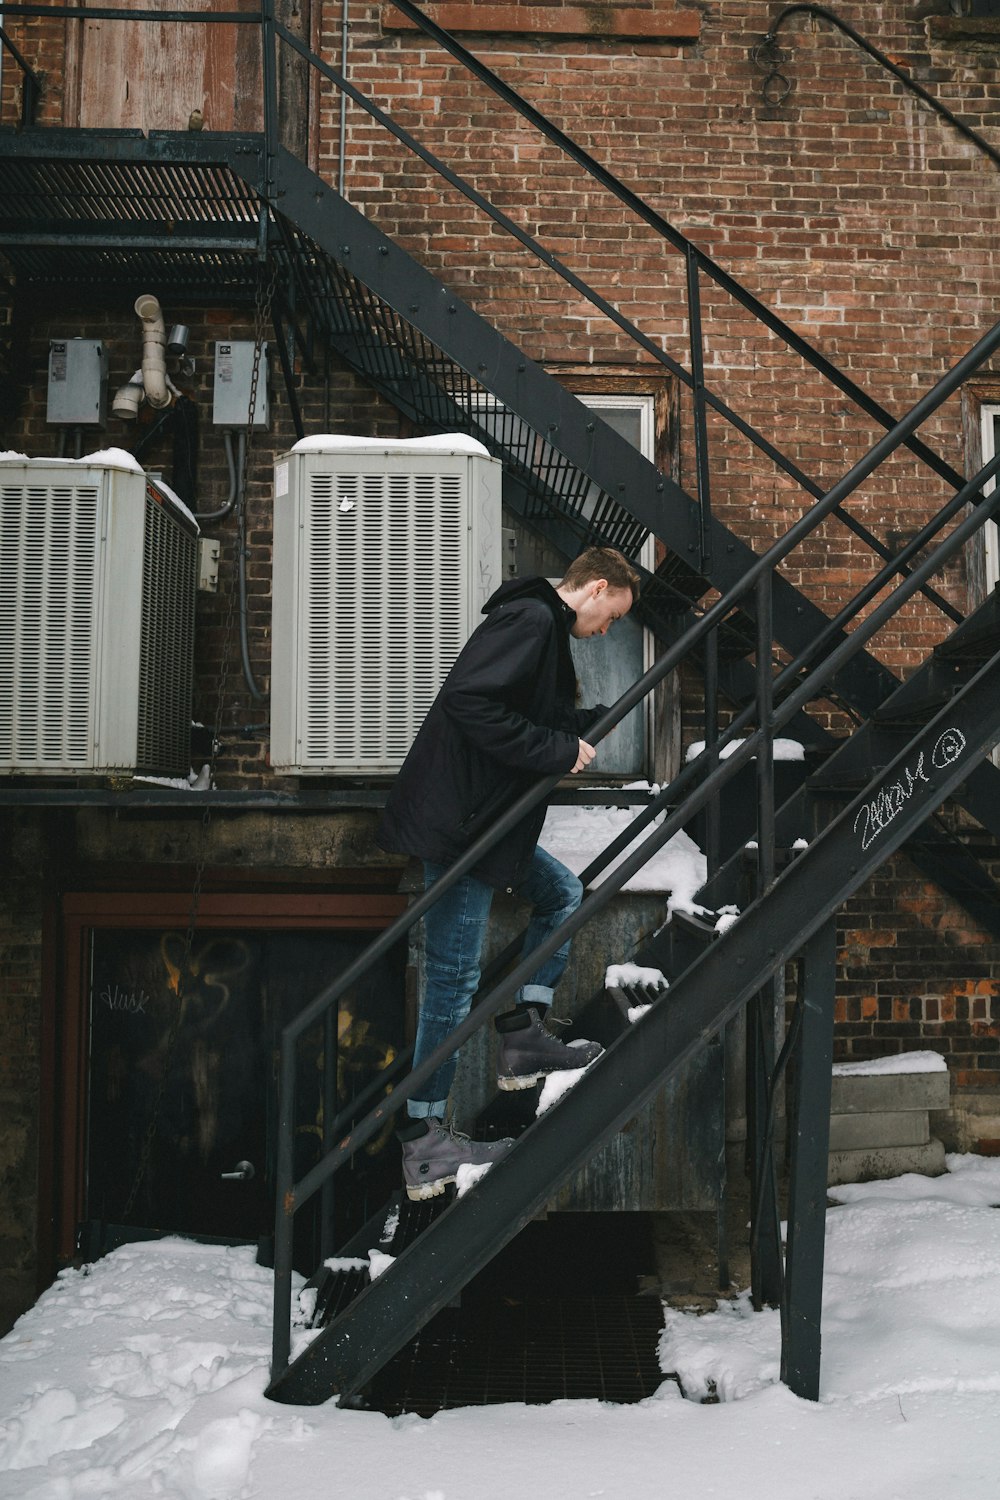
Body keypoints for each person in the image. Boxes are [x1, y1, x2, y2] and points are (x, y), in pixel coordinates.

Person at [376, 546, 640, 1200]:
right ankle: (423, 1139)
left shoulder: (541, 628)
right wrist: (556, 746)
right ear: (597, 586)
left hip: (488, 825)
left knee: (563, 895)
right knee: (452, 978)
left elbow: (514, 711)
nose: (609, 630)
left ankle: (522, 1033)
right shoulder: (530, 620)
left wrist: (574, 727)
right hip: (464, 828)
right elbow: (470, 700)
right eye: (613, 616)